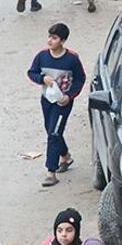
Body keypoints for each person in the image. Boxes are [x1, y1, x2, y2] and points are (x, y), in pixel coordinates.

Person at [28, 23, 86, 186]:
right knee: (51, 130)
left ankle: (50, 172)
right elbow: (31, 72)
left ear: (63, 40)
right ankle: (66, 156)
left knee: (53, 133)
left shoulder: (72, 59)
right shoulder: (42, 56)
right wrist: (41, 79)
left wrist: (69, 96)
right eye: (49, 37)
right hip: (47, 100)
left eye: (54, 38)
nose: (50, 41)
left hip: (63, 103)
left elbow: (80, 79)